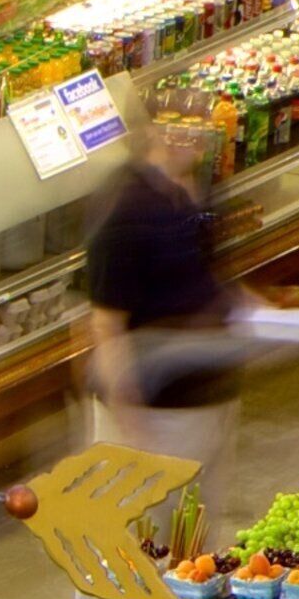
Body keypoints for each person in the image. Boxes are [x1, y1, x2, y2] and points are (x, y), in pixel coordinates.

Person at [80, 115, 249, 509]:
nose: (197, 139)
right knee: (141, 543)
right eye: (182, 127)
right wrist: (132, 427)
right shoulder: (124, 209)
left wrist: (254, 311)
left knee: (197, 547)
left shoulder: (197, 187)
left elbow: (202, 276)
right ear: (153, 130)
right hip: (156, 415)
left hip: (207, 401)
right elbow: (106, 324)